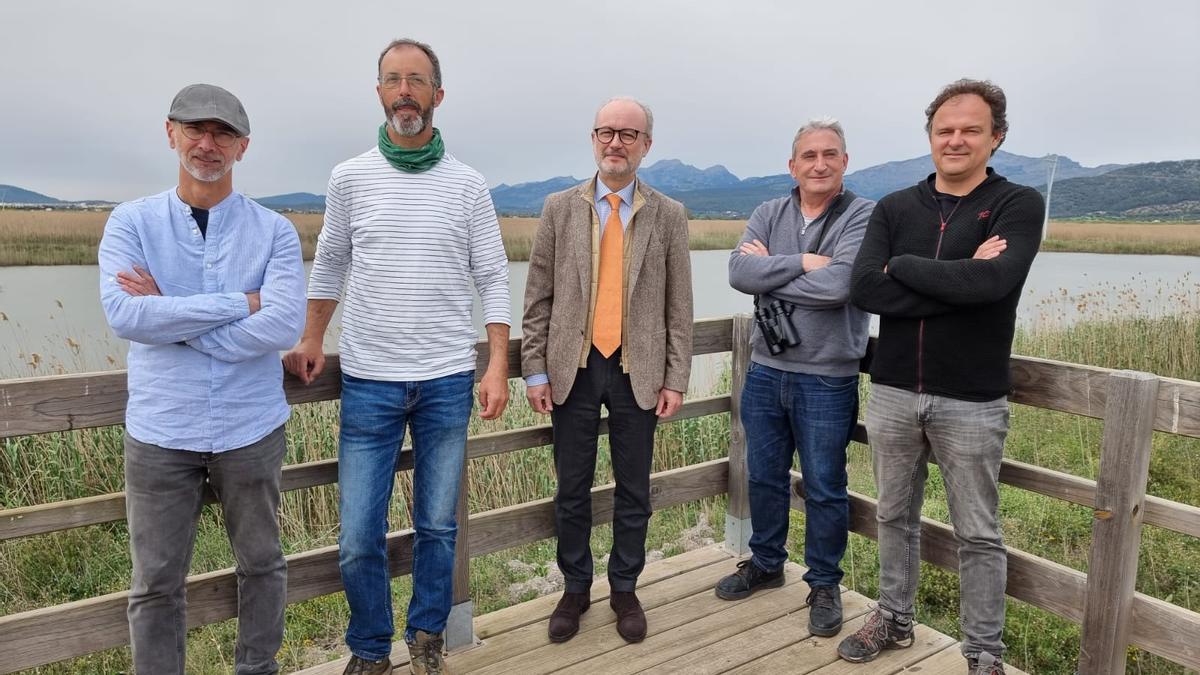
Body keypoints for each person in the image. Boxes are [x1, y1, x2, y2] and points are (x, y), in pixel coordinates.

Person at [283, 38, 510, 675]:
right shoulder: (349, 178)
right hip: (368, 380)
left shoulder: (467, 185)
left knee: (437, 525)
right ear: (379, 92)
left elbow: (492, 277)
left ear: (438, 94)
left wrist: (495, 365)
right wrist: (310, 338)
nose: (404, 91)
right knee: (358, 535)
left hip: (445, 379)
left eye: (417, 80)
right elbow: (329, 264)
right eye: (392, 80)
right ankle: (371, 648)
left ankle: (428, 637)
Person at [98, 83, 306, 674]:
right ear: (171, 134)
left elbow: (284, 325)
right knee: (156, 579)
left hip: (251, 425)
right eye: (195, 129)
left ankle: (256, 670)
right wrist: (244, 301)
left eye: (222, 134)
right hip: (162, 429)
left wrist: (173, 311)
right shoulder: (132, 223)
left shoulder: (274, 231)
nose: (207, 144)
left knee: (263, 563)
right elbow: (126, 315)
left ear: (243, 146)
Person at [840, 79, 1043, 674]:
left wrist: (904, 268)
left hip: (972, 398)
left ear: (995, 138)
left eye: (970, 130)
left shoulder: (1017, 204)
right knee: (892, 514)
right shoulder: (896, 207)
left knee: (977, 531)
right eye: (944, 130)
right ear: (929, 137)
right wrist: (954, 276)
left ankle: (983, 653)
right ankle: (895, 619)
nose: (955, 140)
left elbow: (993, 285)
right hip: (894, 388)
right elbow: (865, 288)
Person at [521, 96, 693, 645]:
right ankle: (575, 587)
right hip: (571, 366)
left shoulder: (669, 214)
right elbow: (538, 295)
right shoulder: (558, 207)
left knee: (634, 489)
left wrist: (676, 376)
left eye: (627, 134)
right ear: (593, 139)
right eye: (605, 132)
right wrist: (534, 371)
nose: (615, 142)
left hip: (636, 367)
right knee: (571, 487)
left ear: (646, 145)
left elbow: (679, 307)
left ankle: (625, 586)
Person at [716, 118, 874, 638]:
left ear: (845, 162)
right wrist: (805, 261)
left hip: (827, 377)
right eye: (809, 155)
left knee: (826, 486)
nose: (819, 164)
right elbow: (739, 274)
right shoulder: (768, 211)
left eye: (830, 154)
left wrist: (774, 275)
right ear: (793, 165)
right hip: (766, 371)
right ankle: (765, 563)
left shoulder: (863, 215)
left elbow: (842, 286)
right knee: (763, 475)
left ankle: (824, 583)